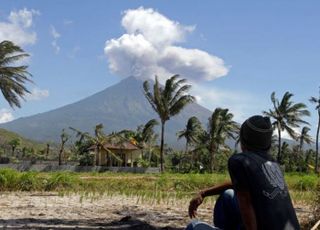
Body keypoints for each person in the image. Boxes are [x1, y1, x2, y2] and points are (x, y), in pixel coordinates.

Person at [186, 115, 300, 230]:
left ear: (243, 140)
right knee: (228, 196)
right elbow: (235, 185)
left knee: (193, 227)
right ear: (268, 144)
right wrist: (203, 193)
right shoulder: (273, 163)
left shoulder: (239, 161)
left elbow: (247, 208)